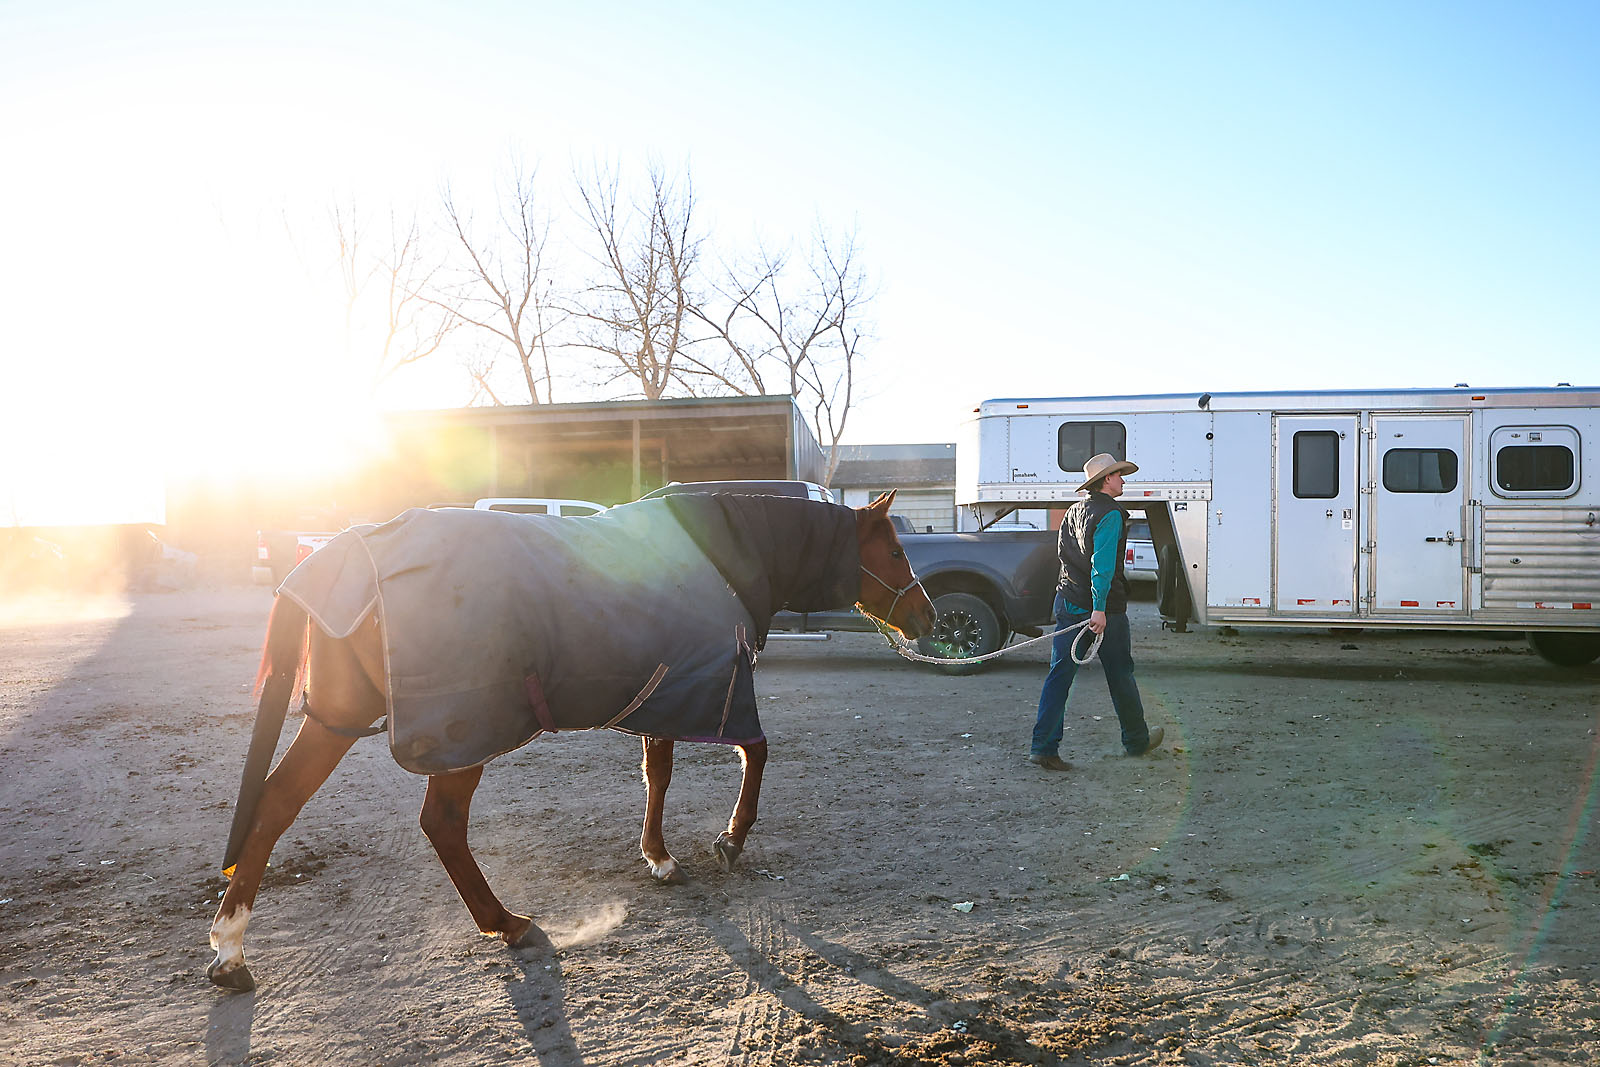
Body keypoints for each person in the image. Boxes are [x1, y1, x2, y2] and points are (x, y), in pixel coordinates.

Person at [1028, 452, 1164, 770]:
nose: (1123, 480)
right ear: (1106, 480)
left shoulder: (1074, 511)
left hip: (1068, 601)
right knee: (1121, 676)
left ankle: (1043, 747)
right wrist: (1099, 609)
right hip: (1102, 612)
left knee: (1059, 676)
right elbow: (1101, 568)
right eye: (1118, 475)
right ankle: (1136, 741)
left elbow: (1063, 554)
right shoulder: (1112, 514)